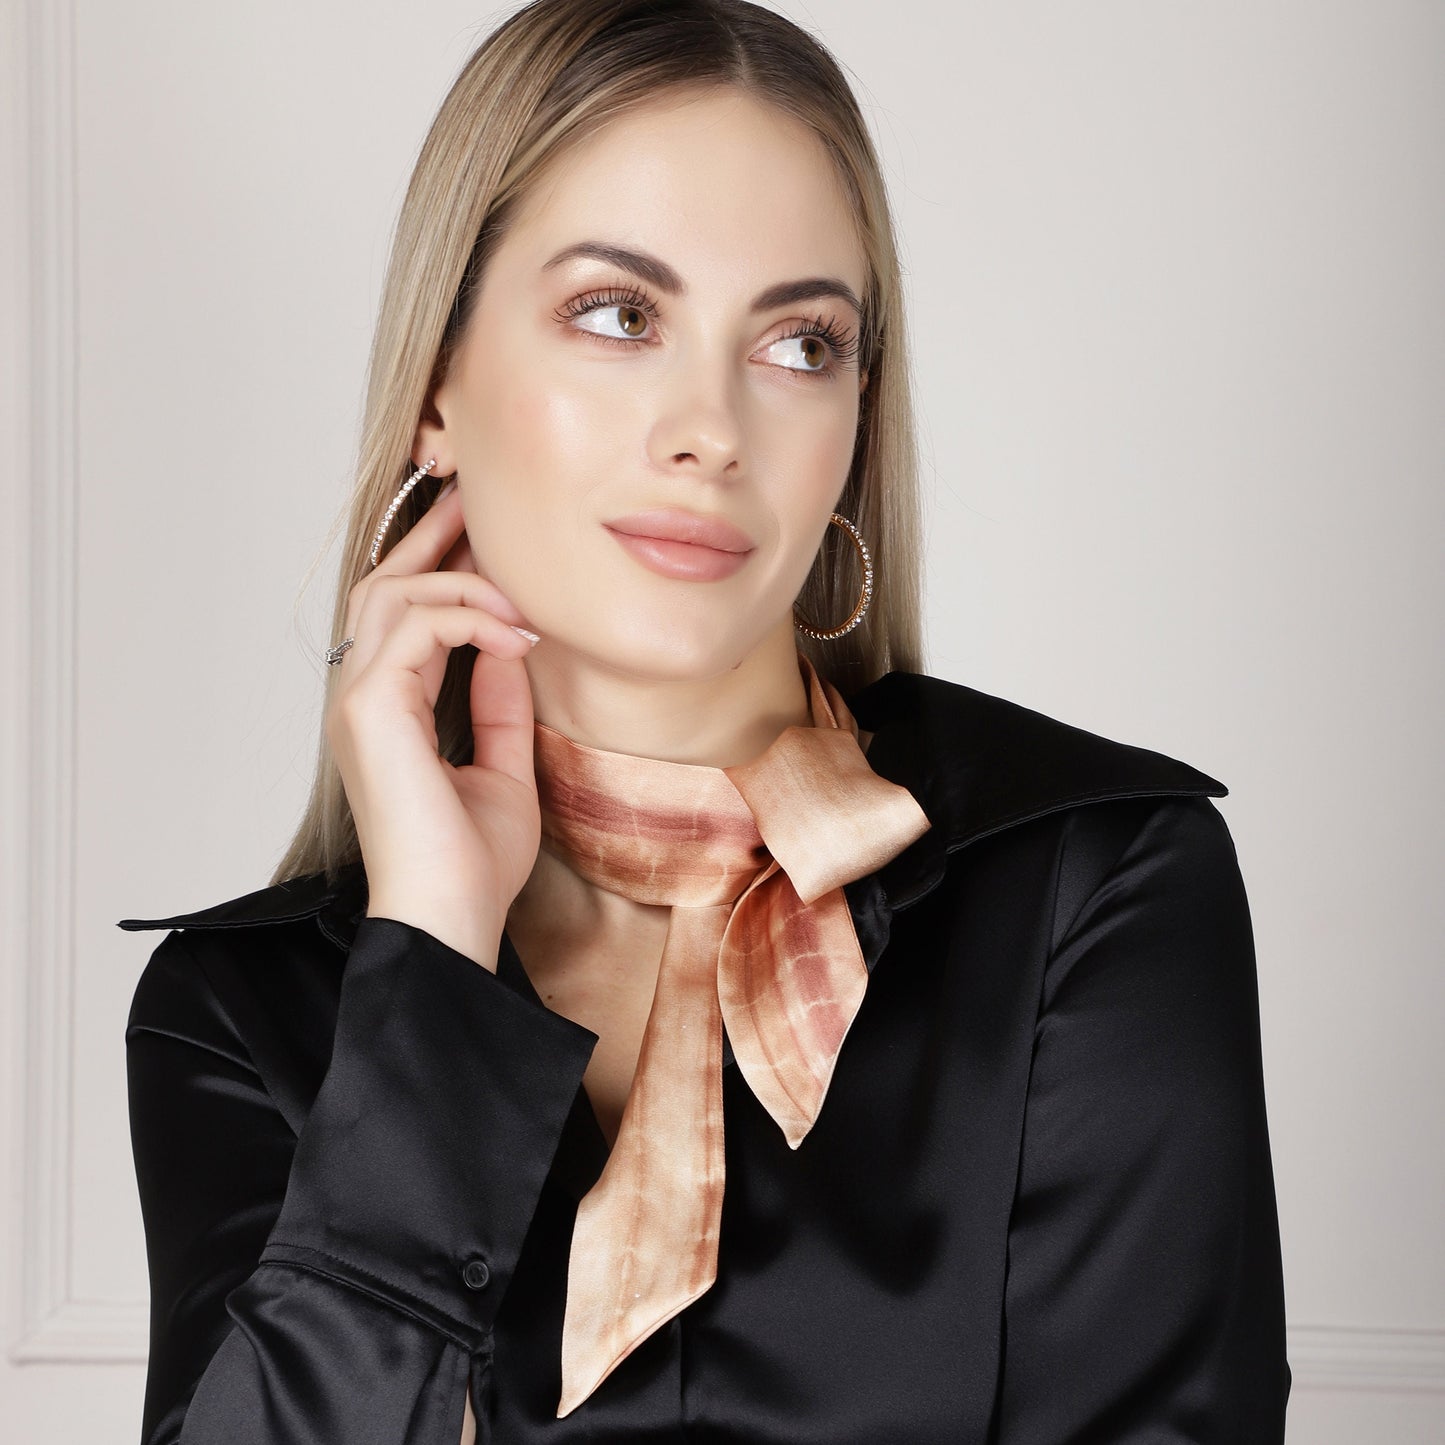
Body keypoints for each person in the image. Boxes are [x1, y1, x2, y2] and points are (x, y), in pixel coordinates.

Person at [119, 1, 1291, 1440]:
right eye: (619, 315)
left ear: (856, 421)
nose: (714, 430)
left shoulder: (1091, 890)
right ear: (436, 389)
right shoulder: (236, 1012)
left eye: (800, 343)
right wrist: (428, 956)